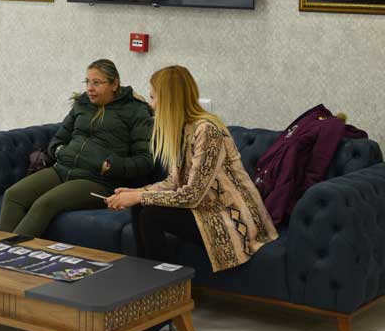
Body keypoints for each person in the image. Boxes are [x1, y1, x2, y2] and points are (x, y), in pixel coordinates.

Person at [107, 65, 278, 276]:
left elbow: (192, 195)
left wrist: (139, 196)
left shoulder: (207, 130)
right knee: (140, 207)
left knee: (151, 214)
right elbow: (173, 182)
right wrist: (135, 193)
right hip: (205, 208)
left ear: (169, 100)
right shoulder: (182, 128)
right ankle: (147, 280)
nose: (151, 105)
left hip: (232, 217)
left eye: (153, 97)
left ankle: (165, 285)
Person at [0, 59, 153, 238]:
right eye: (87, 82)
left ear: (114, 84)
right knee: (13, 195)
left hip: (97, 180)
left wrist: (112, 165)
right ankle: (0, 251)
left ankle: (9, 252)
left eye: (96, 83)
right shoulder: (83, 104)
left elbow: (144, 160)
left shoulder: (136, 111)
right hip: (63, 169)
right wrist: (59, 151)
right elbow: (58, 140)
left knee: (45, 203)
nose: (90, 88)